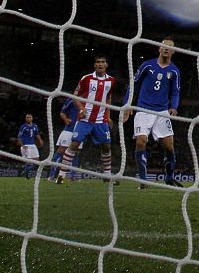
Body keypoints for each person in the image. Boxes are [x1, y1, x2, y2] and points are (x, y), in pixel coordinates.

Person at [122, 38, 182, 188]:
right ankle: (143, 180)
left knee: (169, 147)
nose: (166, 49)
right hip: (143, 110)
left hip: (162, 111)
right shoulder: (147, 65)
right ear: (159, 49)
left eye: (169, 47)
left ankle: (169, 178)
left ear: (173, 51)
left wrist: (173, 107)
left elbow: (175, 92)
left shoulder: (174, 71)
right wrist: (127, 103)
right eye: (163, 46)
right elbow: (133, 83)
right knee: (141, 141)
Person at [55, 54, 116, 184]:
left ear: (106, 65)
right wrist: (82, 109)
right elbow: (75, 96)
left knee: (106, 146)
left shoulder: (111, 81)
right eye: (98, 62)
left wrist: (108, 116)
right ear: (95, 65)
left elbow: (108, 98)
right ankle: (61, 175)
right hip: (85, 119)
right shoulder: (86, 79)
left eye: (103, 62)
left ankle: (107, 175)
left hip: (101, 121)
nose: (100, 64)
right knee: (74, 144)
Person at [48, 97, 83, 181]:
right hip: (69, 130)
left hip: (80, 130)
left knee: (76, 153)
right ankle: (51, 175)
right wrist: (66, 119)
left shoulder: (89, 101)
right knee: (61, 150)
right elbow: (62, 112)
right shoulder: (71, 99)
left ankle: (73, 176)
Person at [18, 114, 43, 179]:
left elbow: (37, 134)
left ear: (32, 118)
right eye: (27, 117)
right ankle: (26, 176)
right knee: (29, 161)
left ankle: (25, 171)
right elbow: (19, 137)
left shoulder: (35, 126)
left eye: (29, 117)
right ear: (25, 119)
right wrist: (22, 145)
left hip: (33, 145)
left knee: (37, 161)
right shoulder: (23, 127)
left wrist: (40, 140)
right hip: (26, 145)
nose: (28, 118)